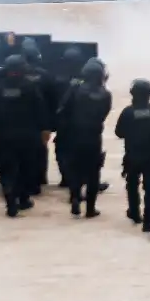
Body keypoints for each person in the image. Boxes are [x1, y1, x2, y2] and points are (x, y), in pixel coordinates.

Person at [0, 54, 47, 217]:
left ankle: (10, 203)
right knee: (25, 168)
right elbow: (40, 111)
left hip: (4, 136)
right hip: (28, 136)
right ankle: (23, 199)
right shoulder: (30, 87)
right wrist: (44, 130)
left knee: (7, 170)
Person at [57, 58, 112, 218]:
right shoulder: (106, 94)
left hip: (75, 134)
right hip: (94, 135)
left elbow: (63, 108)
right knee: (93, 172)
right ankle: (90, 208)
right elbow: (104, 114)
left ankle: (75, 198)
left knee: (74, 168)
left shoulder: (75, 89)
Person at [114, 79, 150, 233]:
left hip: (132, 155)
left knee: (132, 184)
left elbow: (119, 133)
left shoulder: (127, 112)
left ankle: (135, 213)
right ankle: (148, 221)